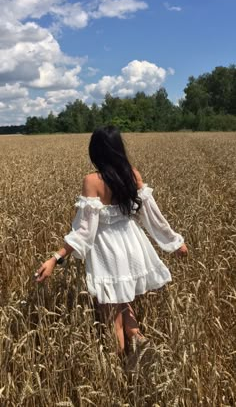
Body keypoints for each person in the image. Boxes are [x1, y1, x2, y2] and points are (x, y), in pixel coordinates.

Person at [35, 125, 187, 357]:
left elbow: (85, 232)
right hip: (133, 244)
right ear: (118, 149)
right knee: (124, 301)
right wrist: (175, 242)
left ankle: (120, 370)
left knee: (110, 314)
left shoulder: (92, 181)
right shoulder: (132, 174)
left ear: (95, 151)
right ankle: (139, 343)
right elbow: (152, 216)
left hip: (107, 251)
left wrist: (55, 258)